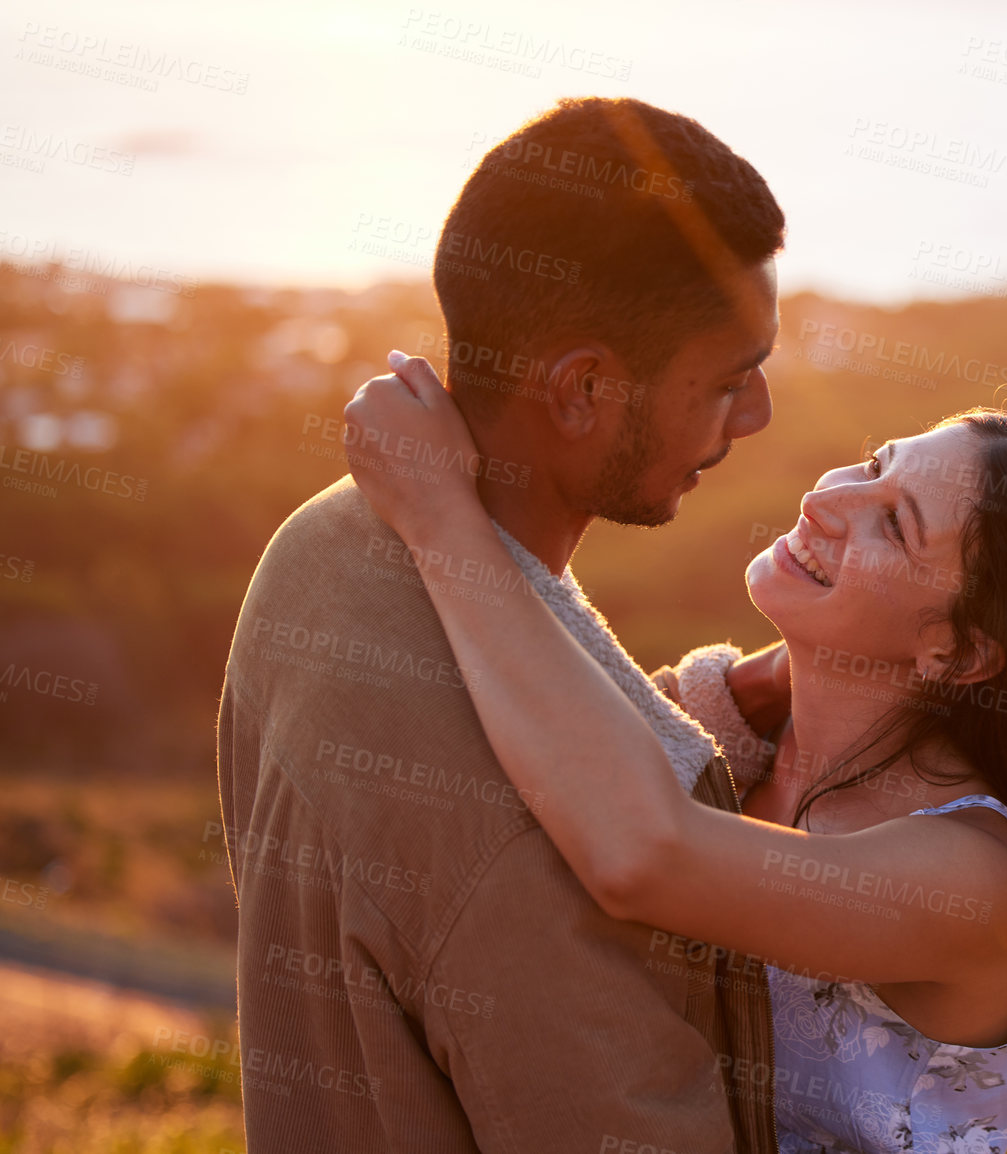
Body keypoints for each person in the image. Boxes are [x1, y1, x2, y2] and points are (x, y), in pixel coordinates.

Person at [340, 350, 1007, 1154]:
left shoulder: (982, 877)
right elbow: (567, 752)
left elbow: (641, 855)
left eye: (893, 525)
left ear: (959, 650)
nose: (824, 501)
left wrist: (440, 515)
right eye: (873, 464)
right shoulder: (760, 740)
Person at [217, 97, 792, 1152]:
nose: (754, 417)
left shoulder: (322, 547)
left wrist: (707, 710)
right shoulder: (543, 819)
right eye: (726, 381)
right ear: (581, 388)